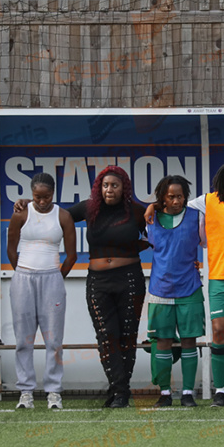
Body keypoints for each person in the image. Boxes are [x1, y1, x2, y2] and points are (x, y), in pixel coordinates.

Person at [148, 161, 224, 407]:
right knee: (219, 333)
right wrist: (153, 205)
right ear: (222, 183)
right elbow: (174, 205)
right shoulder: (207, 201)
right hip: (219, 277)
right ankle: (219, 391)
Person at [69, 166, 148, 408]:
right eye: (105, 185)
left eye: (114, 185)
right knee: (107, 336)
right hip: (98, 282)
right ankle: (120, 390)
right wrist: (28, 203)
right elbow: (55, 216)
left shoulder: (137, 211)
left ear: (124, 187)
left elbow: (161, 236)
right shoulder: (87, 208)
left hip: (130, 279)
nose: (109, 189)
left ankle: (120, 393)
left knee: (127, 336)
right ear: (98, 188)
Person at [7, 173, 76, 410]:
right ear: (31, 194)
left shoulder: (64, 216)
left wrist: (55, 276)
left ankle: (53, 392)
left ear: (53, 194)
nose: (42, 201)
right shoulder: (21, 213)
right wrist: (23, 273)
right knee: (23, 340)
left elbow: (72, 255)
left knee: (54, 340)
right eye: (37, 197)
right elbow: (11, 247)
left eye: (47, 197)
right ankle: (25, 392)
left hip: (52, 279)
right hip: (23, 278)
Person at [145, 175, 205, 407]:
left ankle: (188, 393)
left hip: (189, 288)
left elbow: (208, 243)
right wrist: (152, 206)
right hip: (160, 289)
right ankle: (165, 393)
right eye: (171, 197)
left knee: (189, 341)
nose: (176, 201)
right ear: (162, 198)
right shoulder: (150, 218)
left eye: (180, 196)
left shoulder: (196, 217)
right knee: (162, 341)